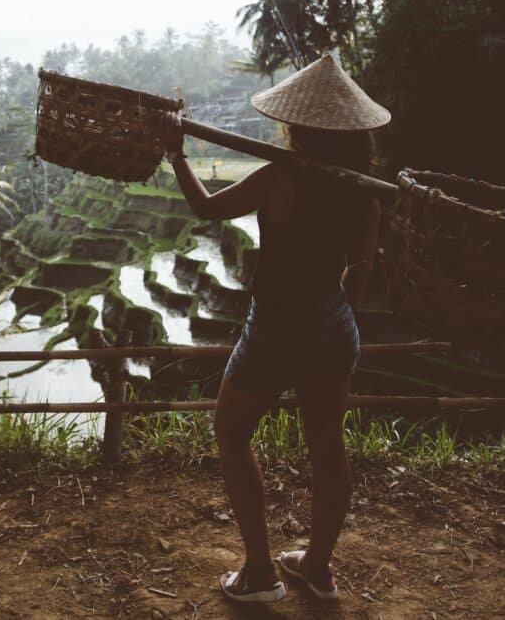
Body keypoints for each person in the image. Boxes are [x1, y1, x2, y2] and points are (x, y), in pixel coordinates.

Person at [161, 56, 390, 604]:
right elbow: (358, 278)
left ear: (298, 124)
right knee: (328, 448)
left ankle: (260, 570)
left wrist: (176, 154)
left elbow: (205, 207)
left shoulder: (279, 176)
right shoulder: (366, 191)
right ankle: (317, 567)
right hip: (333, 323)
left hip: (276, 326)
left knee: (232, 434)